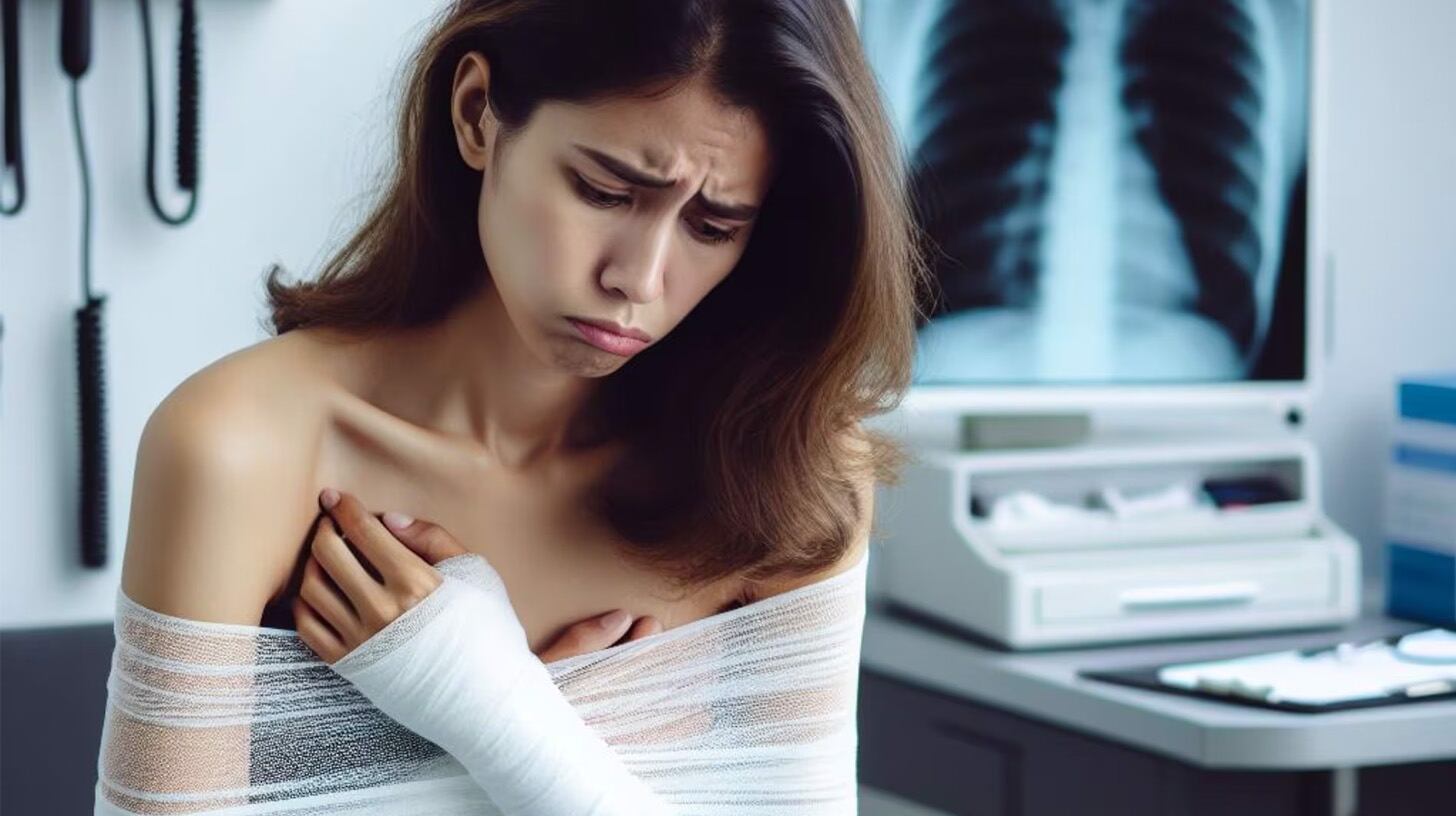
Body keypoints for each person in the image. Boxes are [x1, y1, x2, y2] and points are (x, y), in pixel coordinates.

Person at [98, 0, 930, 811]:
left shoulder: (793, 481)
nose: (637, 280)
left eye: (712, 227)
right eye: (605, 191)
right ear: (475, 115)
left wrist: (496, 711)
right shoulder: (241, 447)